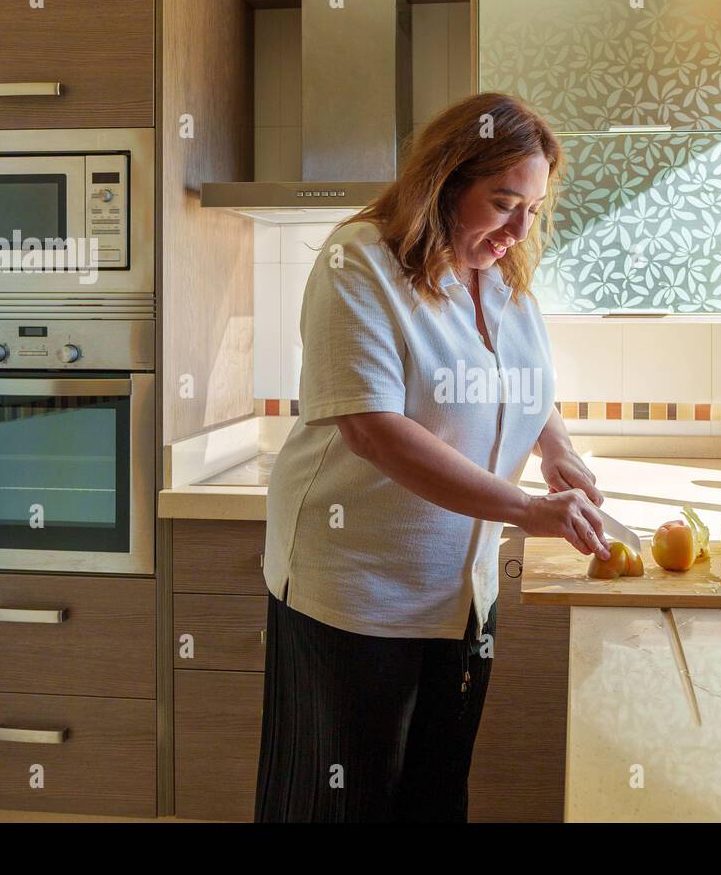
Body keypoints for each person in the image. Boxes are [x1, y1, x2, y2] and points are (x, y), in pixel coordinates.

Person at [255, 93, 610, 822]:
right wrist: (530, 511)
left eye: (534, 209)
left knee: (435, 794)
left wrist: (557, 449)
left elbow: (525, 382)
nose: (520, 229)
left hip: (461, 593)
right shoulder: (360, 262)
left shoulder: (502, 277)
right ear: (444, 181)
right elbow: (371, 428)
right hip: (359, 592)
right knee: (341, 803)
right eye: (504, 202)